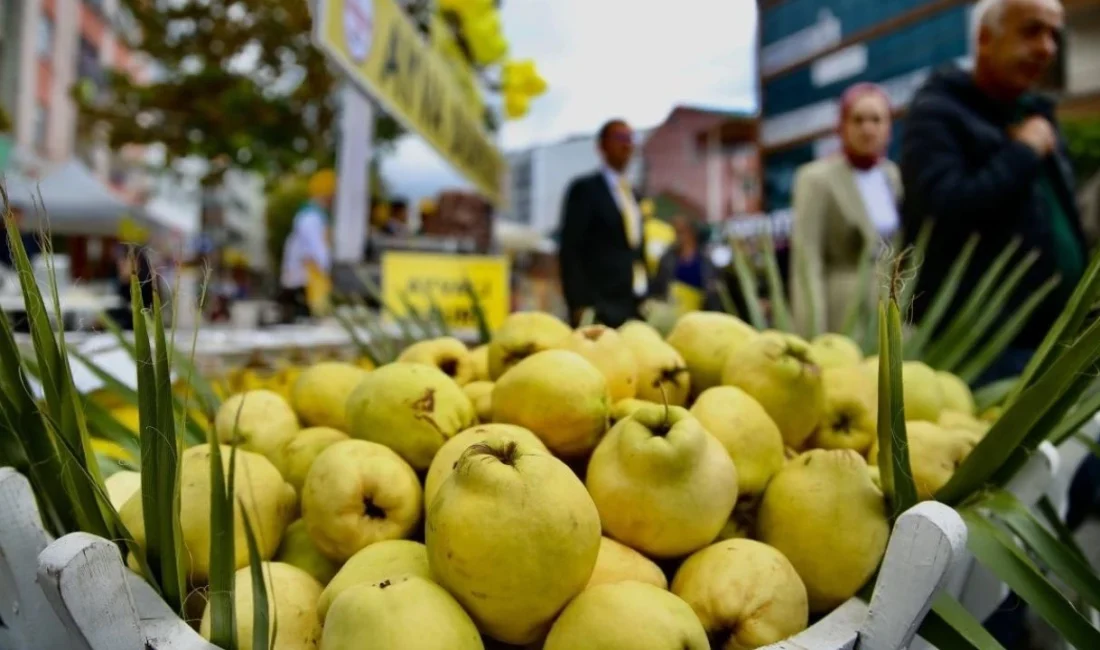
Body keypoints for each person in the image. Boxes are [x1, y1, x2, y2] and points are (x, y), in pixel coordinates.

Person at [901, 0, 1084, 384]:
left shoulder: (1035, 113)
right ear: (985, 39)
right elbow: (942, 209)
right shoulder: (937, 113)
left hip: (1058, 334)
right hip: (985, 348)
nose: (1048, 48)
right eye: (1032, 30)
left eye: (1054, 34)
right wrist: (1023, 152)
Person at [790, 82, 902, 337]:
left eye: (876, 119)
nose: (867, 128)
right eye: (858, 119)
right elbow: (807, 262)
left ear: (888, 128)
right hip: (843, 313)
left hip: (888, 307)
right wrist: (812, 333)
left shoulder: (891, 175)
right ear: (842, 126)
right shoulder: (816, 179)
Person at [559, 119, 648, 327]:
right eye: (619, 138)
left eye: (630, 138)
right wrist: (578, 303)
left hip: (632, 303)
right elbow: (570, 250)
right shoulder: (585, 190)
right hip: (598, 304)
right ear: (601, 146)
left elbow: (636, 248)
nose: (626, 144)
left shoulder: (634, 195)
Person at [279, 169, 336, 323]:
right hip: (304, 282)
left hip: (303, 280)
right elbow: (317, 251)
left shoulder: (311, 215)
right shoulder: (311, 217)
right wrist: (329, 269)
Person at [651, 215, 722, 313]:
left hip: (699, 313)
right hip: (672, 311)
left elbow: (713, 291)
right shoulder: (668, 258)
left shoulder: (705, 262)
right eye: (675, 232)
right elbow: (659, 287)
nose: (678, 236)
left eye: (681, 232)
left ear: (691, 233)